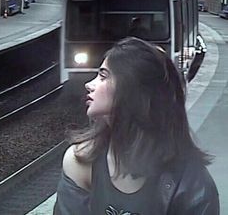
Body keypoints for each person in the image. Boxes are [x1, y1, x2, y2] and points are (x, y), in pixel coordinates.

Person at [53, 37, 219, 214]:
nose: (89, 85)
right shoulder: (81, 160)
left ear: (132, 91)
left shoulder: (194, 185)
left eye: (103, 76)